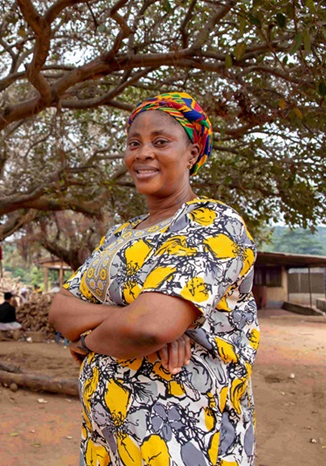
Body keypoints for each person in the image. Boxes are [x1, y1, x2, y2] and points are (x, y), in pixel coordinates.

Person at [49, 92, 258, 465]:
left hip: (183, 441)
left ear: (192, 153)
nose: (143, 153)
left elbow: (149, 326)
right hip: (106, 444)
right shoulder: (119, 235)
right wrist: (124, 323)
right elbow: (60, 310)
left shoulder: (211, 224)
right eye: (134, 143)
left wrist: (88, 341)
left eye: (160, 142)